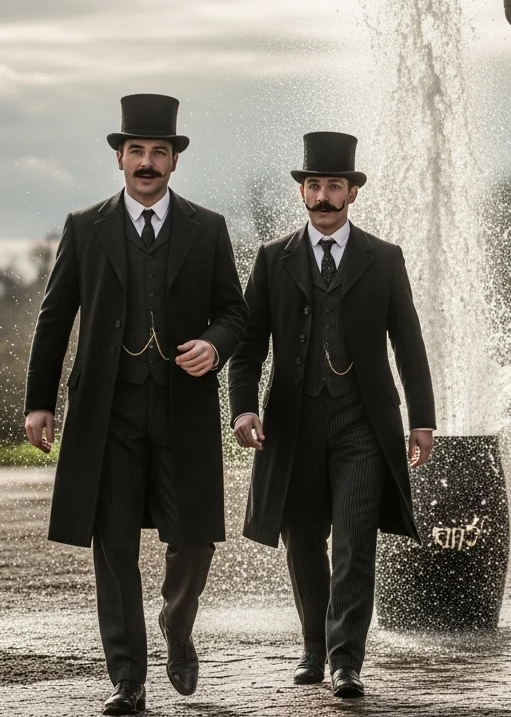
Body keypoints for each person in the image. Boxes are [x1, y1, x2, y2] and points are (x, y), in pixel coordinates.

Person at [22, 94, 248, 715]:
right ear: (119, 158)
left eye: (159, 152)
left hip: (184, 412)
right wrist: (39, 400)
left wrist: (215, 343)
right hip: (108, 414)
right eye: (137, 152)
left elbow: (235, 312)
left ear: (175, 161)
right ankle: (128, 678)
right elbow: (54, 317)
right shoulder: (83, 227)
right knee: (113, 544)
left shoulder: (209, 228)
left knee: (195, 537)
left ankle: (176, 625)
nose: (147, 163)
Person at [228, 130, 436, 698]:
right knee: (302, 542)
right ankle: (314, 649)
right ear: (302, 192)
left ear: (352, 194)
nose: (323, 197)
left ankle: (347, 660)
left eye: (334, 187)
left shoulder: (384, 259)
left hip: (363, 426)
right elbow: (248, 346)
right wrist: (243, 408)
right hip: (293, 427)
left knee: (354, 542)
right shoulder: (273, 260)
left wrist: (422, 419)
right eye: (314, 185)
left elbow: (409, 345)